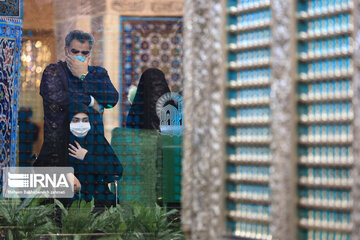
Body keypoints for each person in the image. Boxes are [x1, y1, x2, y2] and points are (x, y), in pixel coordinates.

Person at [35, 30, 119, 168]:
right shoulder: (53, 71)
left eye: (84, 53)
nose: (79, 56)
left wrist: (84, 75)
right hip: (59, 149)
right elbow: (57, 99)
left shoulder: (98, 73)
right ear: (66, 50)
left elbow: (111, 100)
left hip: (91, 151)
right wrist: (92, 101)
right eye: (75, 52)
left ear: (89, 53)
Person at [67, 103, 122, 208]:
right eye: (76, 120)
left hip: (98, 201)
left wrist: (87, 157)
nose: (80, 124)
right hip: (69, 203)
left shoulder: (97, 140)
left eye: (85, 120)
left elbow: (117, 172)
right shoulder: (61, 142)